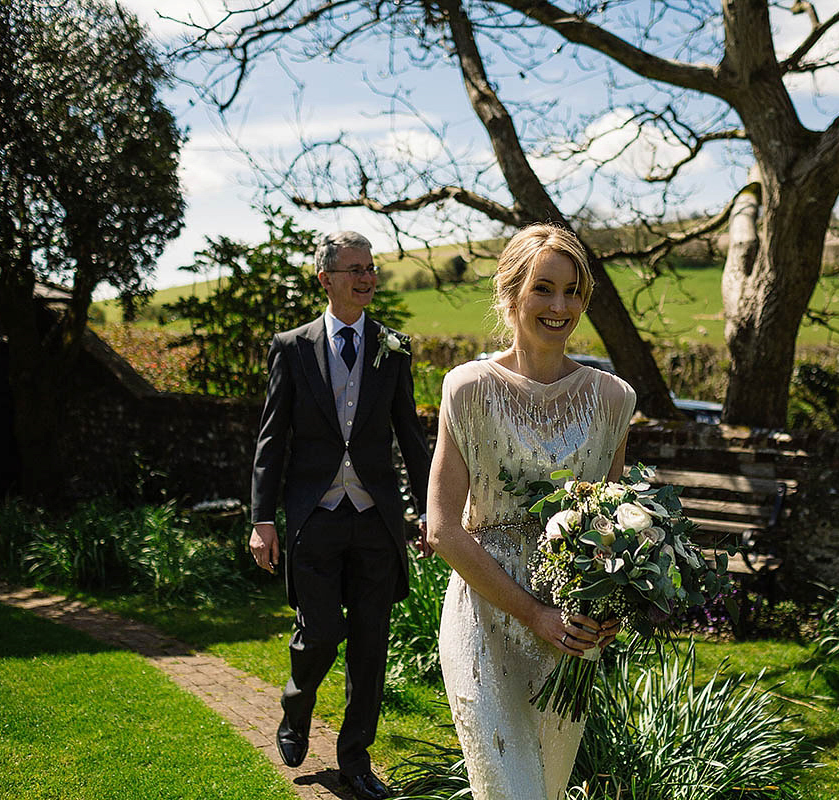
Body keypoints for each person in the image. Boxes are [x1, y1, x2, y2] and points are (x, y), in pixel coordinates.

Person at [426, 223, 636, 799]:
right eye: (544, 288)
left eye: (572, 292)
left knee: (544, 789)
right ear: (511, 290)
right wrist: (531, 613)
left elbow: (612, 530)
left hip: (568, 633)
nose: (559, 306)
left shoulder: (613, 399)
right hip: (485, 613)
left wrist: (610, 602)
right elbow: (443, 528)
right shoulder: (467, 388)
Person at [249, 230, 430, 800]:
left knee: (371, 646)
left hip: (376, 521)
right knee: (321, 634)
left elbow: (412, 437)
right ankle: (297, 706)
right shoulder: (292, 347)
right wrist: (262, 519)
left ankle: (355, 759)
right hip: (316, 517)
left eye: (371, 268)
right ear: (325, 278)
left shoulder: (393, 347)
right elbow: (272, 438)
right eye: (354, 268)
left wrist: (430, 513)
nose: (366, 277)